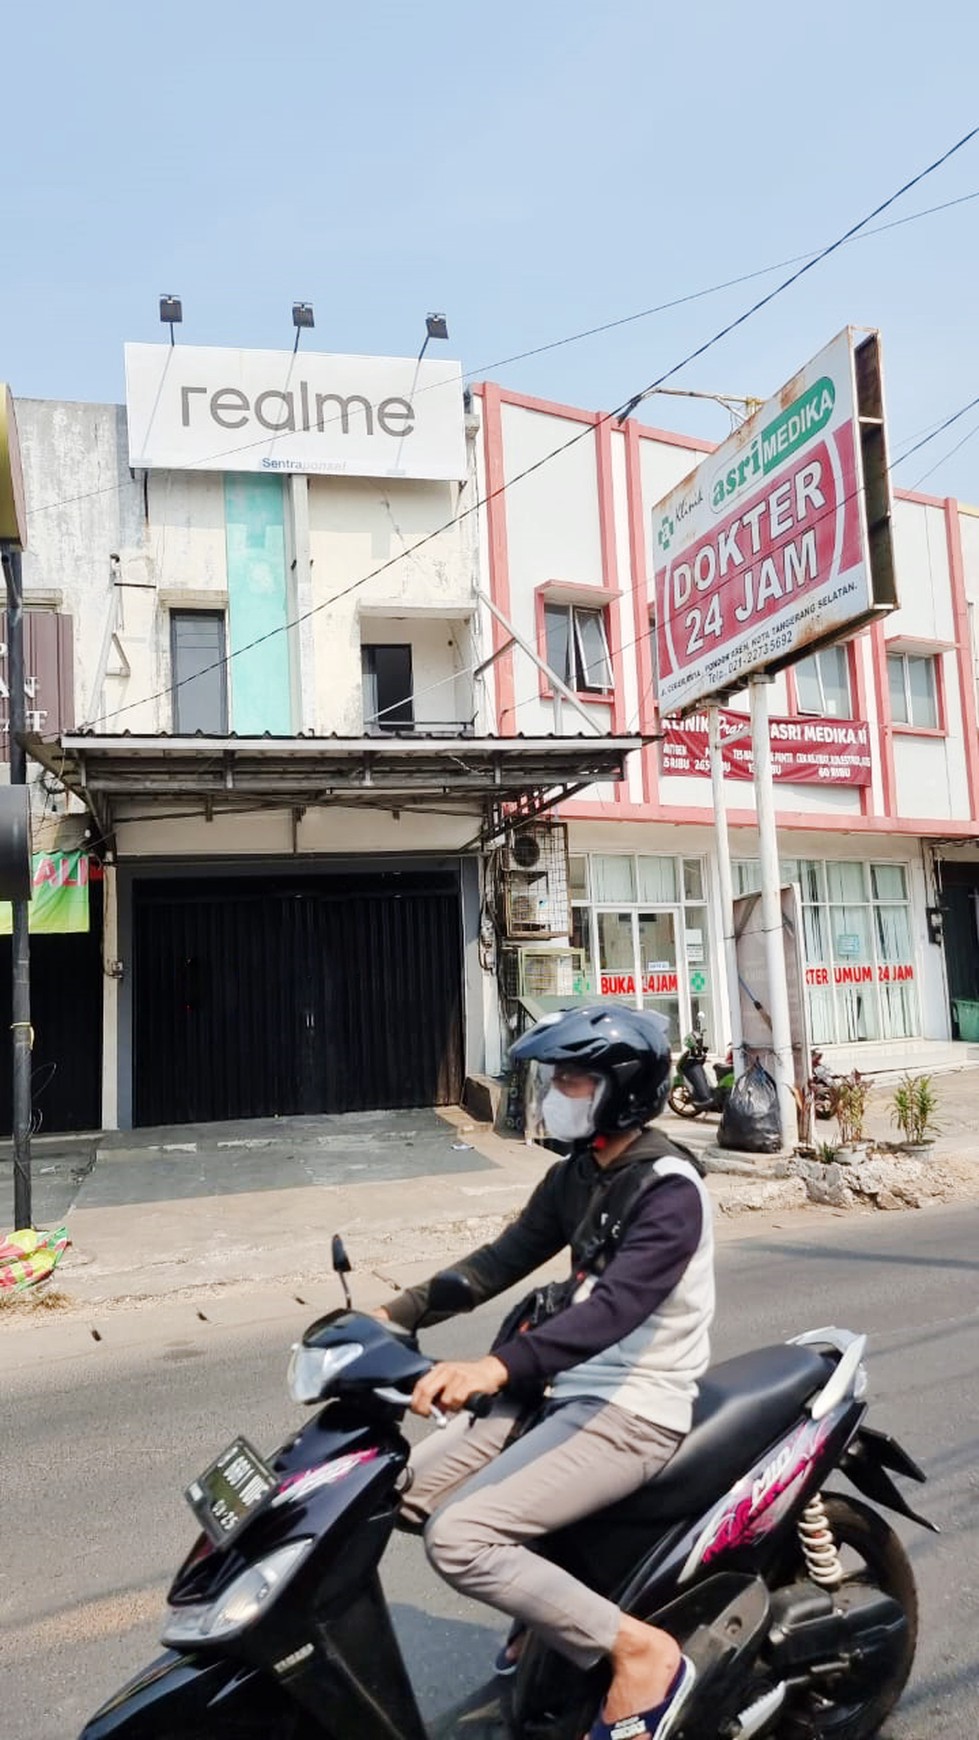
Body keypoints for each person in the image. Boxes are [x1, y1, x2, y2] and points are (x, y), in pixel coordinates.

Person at [375, 1004, 715, 1740]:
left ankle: (640, 1653)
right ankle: (551, 1614)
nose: (554, 1093)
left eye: (571, 1080)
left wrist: (493, 1368)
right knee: (393, 1493)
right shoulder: (578, 1175)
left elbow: (610, 1313)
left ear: (619, 1090)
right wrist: (391, 1315)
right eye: (553, 1079)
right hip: (560, 1395)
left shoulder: (668, 1191)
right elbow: (500, 1260)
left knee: (460, 1539)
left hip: (633, 1410)